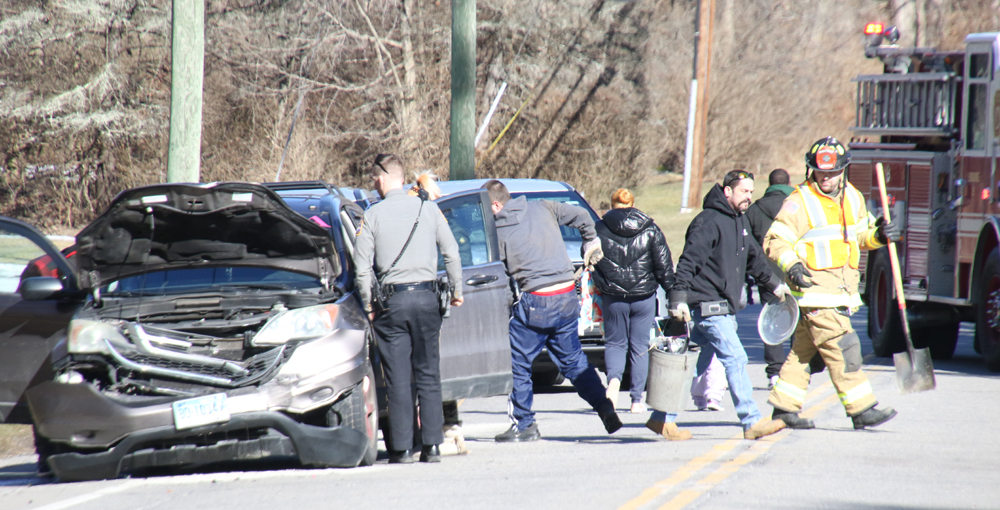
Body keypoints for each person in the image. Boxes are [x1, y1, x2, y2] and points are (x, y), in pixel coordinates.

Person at [763, 137, 899, 430]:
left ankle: (784, 409)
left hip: (839, 293)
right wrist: (793, 266)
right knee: (845, 347)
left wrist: (881, 235)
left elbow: (861, 236)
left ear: (843, 170)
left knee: (802, 354)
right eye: (820, 172)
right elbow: (775, 240)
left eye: (832, 173)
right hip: (816, 295)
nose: (826, 178)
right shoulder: (799, 201)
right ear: (811, 170)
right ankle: (861, 409)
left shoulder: (853, 197)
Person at [651, 170, 792, 441]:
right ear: (727, 191)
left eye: (751, 192)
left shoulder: (739, 221)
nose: (749, 197)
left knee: (692, 363)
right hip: (708, 306)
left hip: (720, 306)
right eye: (744, 192)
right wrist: (678, 297)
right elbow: (688, 261)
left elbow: (755, 259)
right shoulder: (709, 221)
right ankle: (751, 421)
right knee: (736, 358)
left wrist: (775, 285)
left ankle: (661, 418)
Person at [483, 179, 622, 442]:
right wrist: (590, 241)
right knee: (574, 361)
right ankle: (604, 406)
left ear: (496, 204)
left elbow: (499, 277)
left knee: (518, 365)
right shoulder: (543, 206)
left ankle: (524, 425)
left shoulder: (498, 232)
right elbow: (582, 215)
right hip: (567, 297)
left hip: (536, 302)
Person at [353, 153, 465, 464]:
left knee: (398, 377)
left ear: (381, 179)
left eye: (375, 179)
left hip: (391, 303)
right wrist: (456, 290)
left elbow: (362, 269)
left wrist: (367, 305)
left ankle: (401, 449)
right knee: (429, 373)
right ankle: (431, 446)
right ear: (403, 177)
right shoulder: (428, 209)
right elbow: (452, 252)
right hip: (428, 299)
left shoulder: (371, 216)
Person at [592, 188, 674, 414]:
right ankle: (637, 400)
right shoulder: (650, 229)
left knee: (615, 343)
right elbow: (664, 266)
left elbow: (590, 260)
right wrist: (674, 295)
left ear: (612, 204)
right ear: (632, 203)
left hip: (613, 297)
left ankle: (613, 384)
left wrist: (602, 283)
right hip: (644, 296)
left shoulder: (598, 229)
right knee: (639, 346)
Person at [746, 168, 797, 389]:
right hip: (796, 271)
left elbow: (747, 244)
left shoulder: (755, 210)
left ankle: (774, 373)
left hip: (768, 274)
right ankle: (795, 370)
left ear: (769, 184)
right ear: (788, 184)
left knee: (773, 321)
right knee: (798, 322)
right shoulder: (799, 207)